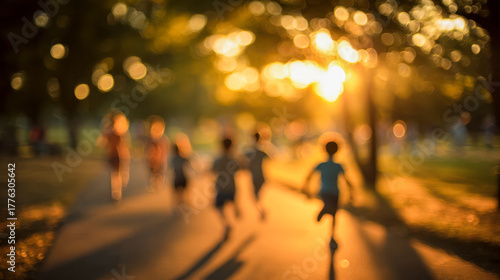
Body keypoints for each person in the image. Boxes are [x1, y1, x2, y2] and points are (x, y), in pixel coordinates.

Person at [302, 141, 353, 252]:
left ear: (324, 150)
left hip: (326, 192)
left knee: (334, 213)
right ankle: (325, 212)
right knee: (333, 212)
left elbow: (309, 176)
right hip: (333, 192)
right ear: (337, 150)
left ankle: (332, 235)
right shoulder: (338, 165)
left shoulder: (322, 164)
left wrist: (305, 188)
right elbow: (347, 180)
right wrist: (351, 192)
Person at [99, 111, 131, 202]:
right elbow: (103, 142)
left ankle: (118, 188)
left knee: (120, 173)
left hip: (121, 155)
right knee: (115, 173)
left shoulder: (120, 130)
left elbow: (124, 141)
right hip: (113, 154)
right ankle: (116, 192)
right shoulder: (108, 131)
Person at [212, 138, 240, 238]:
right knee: (231, 201)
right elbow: (239, 168)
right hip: (232, 185)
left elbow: (213, 170)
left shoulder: (218, 159)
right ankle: (237, 208)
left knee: (218, 207)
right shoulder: (234, 159)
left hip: (221, 186)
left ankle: (226, 223)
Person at [245, 132, 269, 220]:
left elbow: (244, 163)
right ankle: (261, 210)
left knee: (255, 197)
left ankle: (262, 210)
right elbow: (268, 157)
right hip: (261, 176)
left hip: (255, 177)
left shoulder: (250, 151)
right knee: (257, 197)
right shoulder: (261, 151)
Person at [146, 116, 169, 192]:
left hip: (161, 159)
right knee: (153, 172)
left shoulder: (163, 139)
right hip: (152, 159)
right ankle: (154, 183)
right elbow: (148, 149)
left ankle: (158, 183)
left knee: (159, 172)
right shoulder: (151, 139)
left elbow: (166, 148)